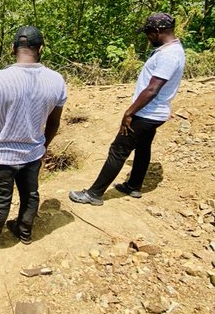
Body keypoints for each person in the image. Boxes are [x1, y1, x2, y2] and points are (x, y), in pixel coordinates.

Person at [69, 12, 185, 206]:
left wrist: (130, 112)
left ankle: (94, 194)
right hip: (155, 112)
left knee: (118, 149)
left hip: (147, 112)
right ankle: (134, 186)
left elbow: (153, 88)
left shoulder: (168, 55)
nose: (146, 37)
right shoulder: (172, 50)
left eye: (148, 33)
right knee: (142, 147)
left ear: (157, 31)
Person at [0, 26, 67, 250]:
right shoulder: (56, 80)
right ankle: (24, 232)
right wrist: (43, 146)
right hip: (33, 154)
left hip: (1, 157)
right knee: (30, 194)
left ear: (13, 48)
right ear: (41, 48)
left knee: (1, 199)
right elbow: (54, 122)